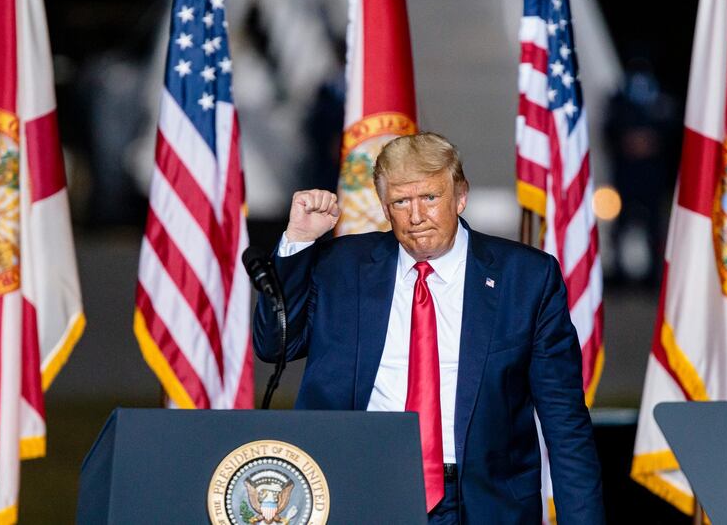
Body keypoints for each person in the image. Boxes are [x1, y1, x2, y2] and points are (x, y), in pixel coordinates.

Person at [253, 132, 604, 524]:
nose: (416, 217)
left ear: (460, 196)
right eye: (401, 201)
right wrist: (299, 240)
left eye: (430, 198)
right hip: (358, 489)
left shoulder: (525, 278)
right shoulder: (341, 267)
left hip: (481, 502)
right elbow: (275, 345)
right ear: (385, 209)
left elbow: (564, 420)